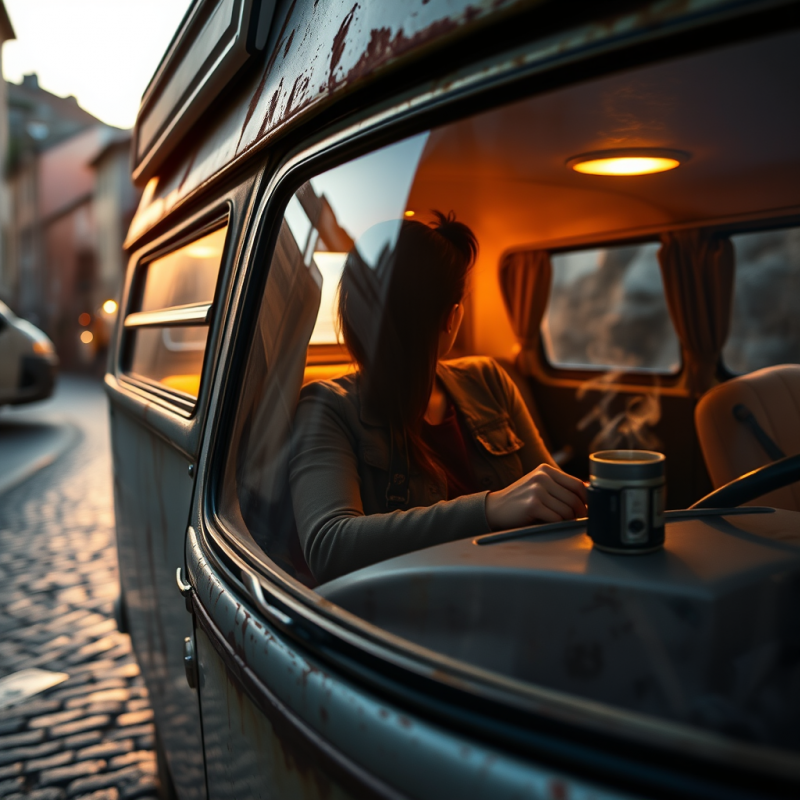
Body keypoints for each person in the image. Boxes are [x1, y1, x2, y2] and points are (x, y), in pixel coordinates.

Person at [290, 211, 587, 583]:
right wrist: (489, 509)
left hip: (524, 583)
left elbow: (552, 493)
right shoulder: (327, 406)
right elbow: (328, 544)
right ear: (451, 316)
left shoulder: (489, 378)